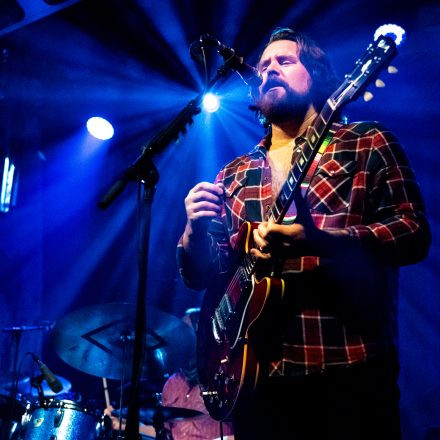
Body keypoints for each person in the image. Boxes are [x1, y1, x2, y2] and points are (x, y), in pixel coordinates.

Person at [176, 27, 431, 439]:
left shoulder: (366, 142)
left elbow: (414, 233)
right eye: (263, 67)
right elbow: (202, 275)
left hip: (348, 370)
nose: (269, 71)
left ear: (316, 75)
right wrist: (191, 230)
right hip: (256, 379)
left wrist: (321, 242)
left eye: (284, 61)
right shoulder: (235, 174)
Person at [161, 308, 234, 440]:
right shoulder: (172, 383)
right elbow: (163, 430)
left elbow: (246, 429)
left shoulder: (222, 378)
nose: (181, 340)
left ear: (201, 338)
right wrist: (119, 421)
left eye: (186, 332)